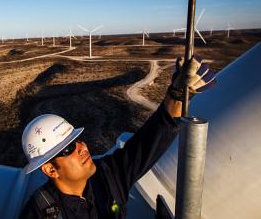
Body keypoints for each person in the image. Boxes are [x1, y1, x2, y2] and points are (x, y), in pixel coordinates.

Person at [19, 56, 216, 219]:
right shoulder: (39, 213)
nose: (83, 147)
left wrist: (177, 94)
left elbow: (152, 138)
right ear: (50, 169)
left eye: (77, 140)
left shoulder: (108, 177)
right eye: (68, 149)